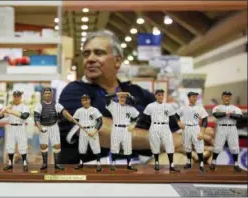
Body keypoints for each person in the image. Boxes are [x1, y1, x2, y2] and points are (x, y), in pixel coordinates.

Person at [58, 30, 200, 164]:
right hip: (87, 175)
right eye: (86, 54)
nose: (90, 59)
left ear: (118, 61)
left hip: (133, 172)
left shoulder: (137, 93)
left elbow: (174, 126)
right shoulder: (74, 92)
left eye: (98, 53)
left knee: (183, 156)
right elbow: (96, 131)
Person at [34, 87, 78, 170]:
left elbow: (64, 112)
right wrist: (39, 127)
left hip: (54, 127)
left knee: (56, 145)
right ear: (43, 95)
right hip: (43, 127)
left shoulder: (56, 104)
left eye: (49, 93)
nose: (47, 95)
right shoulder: (39, 105)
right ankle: (44, 164)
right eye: (46, 93)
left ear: (51, 94)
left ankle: (57, 164)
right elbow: (36, 118)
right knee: (43, 145)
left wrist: (69, 117)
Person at [142, 89, 180, 172]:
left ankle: (171, 165)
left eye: (162, 95)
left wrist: (179, 124)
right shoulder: (150, 106)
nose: (160, 96)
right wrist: (150, 124)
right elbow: (145, 117)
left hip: (165, 126)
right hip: (154, 125)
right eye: (159, 95)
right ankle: (156, 162)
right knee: (155, 145)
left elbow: (174, 117)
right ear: (155, 96)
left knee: (169, 144)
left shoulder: (168, 106)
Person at [105, 92, 139, 171]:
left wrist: (133, 124)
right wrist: (117, 93)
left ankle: (129, 165)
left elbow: (138, 116)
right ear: (118, 97)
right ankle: (113, 164)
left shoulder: (130, 108)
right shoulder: (113, 105)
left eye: (124, 97)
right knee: (114, 146)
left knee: (127, 147)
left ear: (126, 98)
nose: (122, 98)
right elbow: (106, 97)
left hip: (126, 129)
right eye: (121, 97)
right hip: (116, 128)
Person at [0, 91, 30, 171]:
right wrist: (5, 110)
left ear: (20, 97)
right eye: (15, 96)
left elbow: (24, 116)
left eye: (18, 96)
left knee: (22, 145)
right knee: (10, 146)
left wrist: (11, 111)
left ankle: (25, 163)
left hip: (20, 127)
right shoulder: (10, 106)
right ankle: (10, 163)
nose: (16, 98)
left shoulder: (24, 106)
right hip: (11, 127)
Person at [210, 91, 243, 172]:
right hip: (221, 127)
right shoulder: (217, 107)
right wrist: (227, 113)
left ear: (230, 97)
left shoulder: (235, 108)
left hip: (232, 128)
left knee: (234, 146)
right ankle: (213, 162)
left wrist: (230, 115)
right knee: (218, 146)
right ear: (222, 97)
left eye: (228, 96)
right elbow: (216, 114)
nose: (227, 98)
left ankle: (236, 164)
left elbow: (239, 116)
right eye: (225, 96)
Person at [175, 92, 208, 172]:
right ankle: (189, 162)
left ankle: (201, 164)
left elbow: (205, 120)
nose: (195, 98)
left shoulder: (200, 108)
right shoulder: (183, 108)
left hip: (195, 128)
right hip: (186, 128)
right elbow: (176, 115)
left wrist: (202, 132)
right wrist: (179, 122)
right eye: (193, 96)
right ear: (189, 98)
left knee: (199, 146)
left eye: (196, 97)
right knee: (187, 146)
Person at [72, 94, 103, 172]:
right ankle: (81, 163)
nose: (85, 101)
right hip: (83, 131)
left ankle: (98, 163)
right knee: (82, 148)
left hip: (93, 129)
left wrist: (95, 131)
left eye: (86, 100)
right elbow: (74, 120)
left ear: (89, 100)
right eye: (83, 100)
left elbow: (100, 121)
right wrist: (72, 120)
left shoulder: (94, 110)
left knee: (96, 147)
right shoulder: (79, 110)